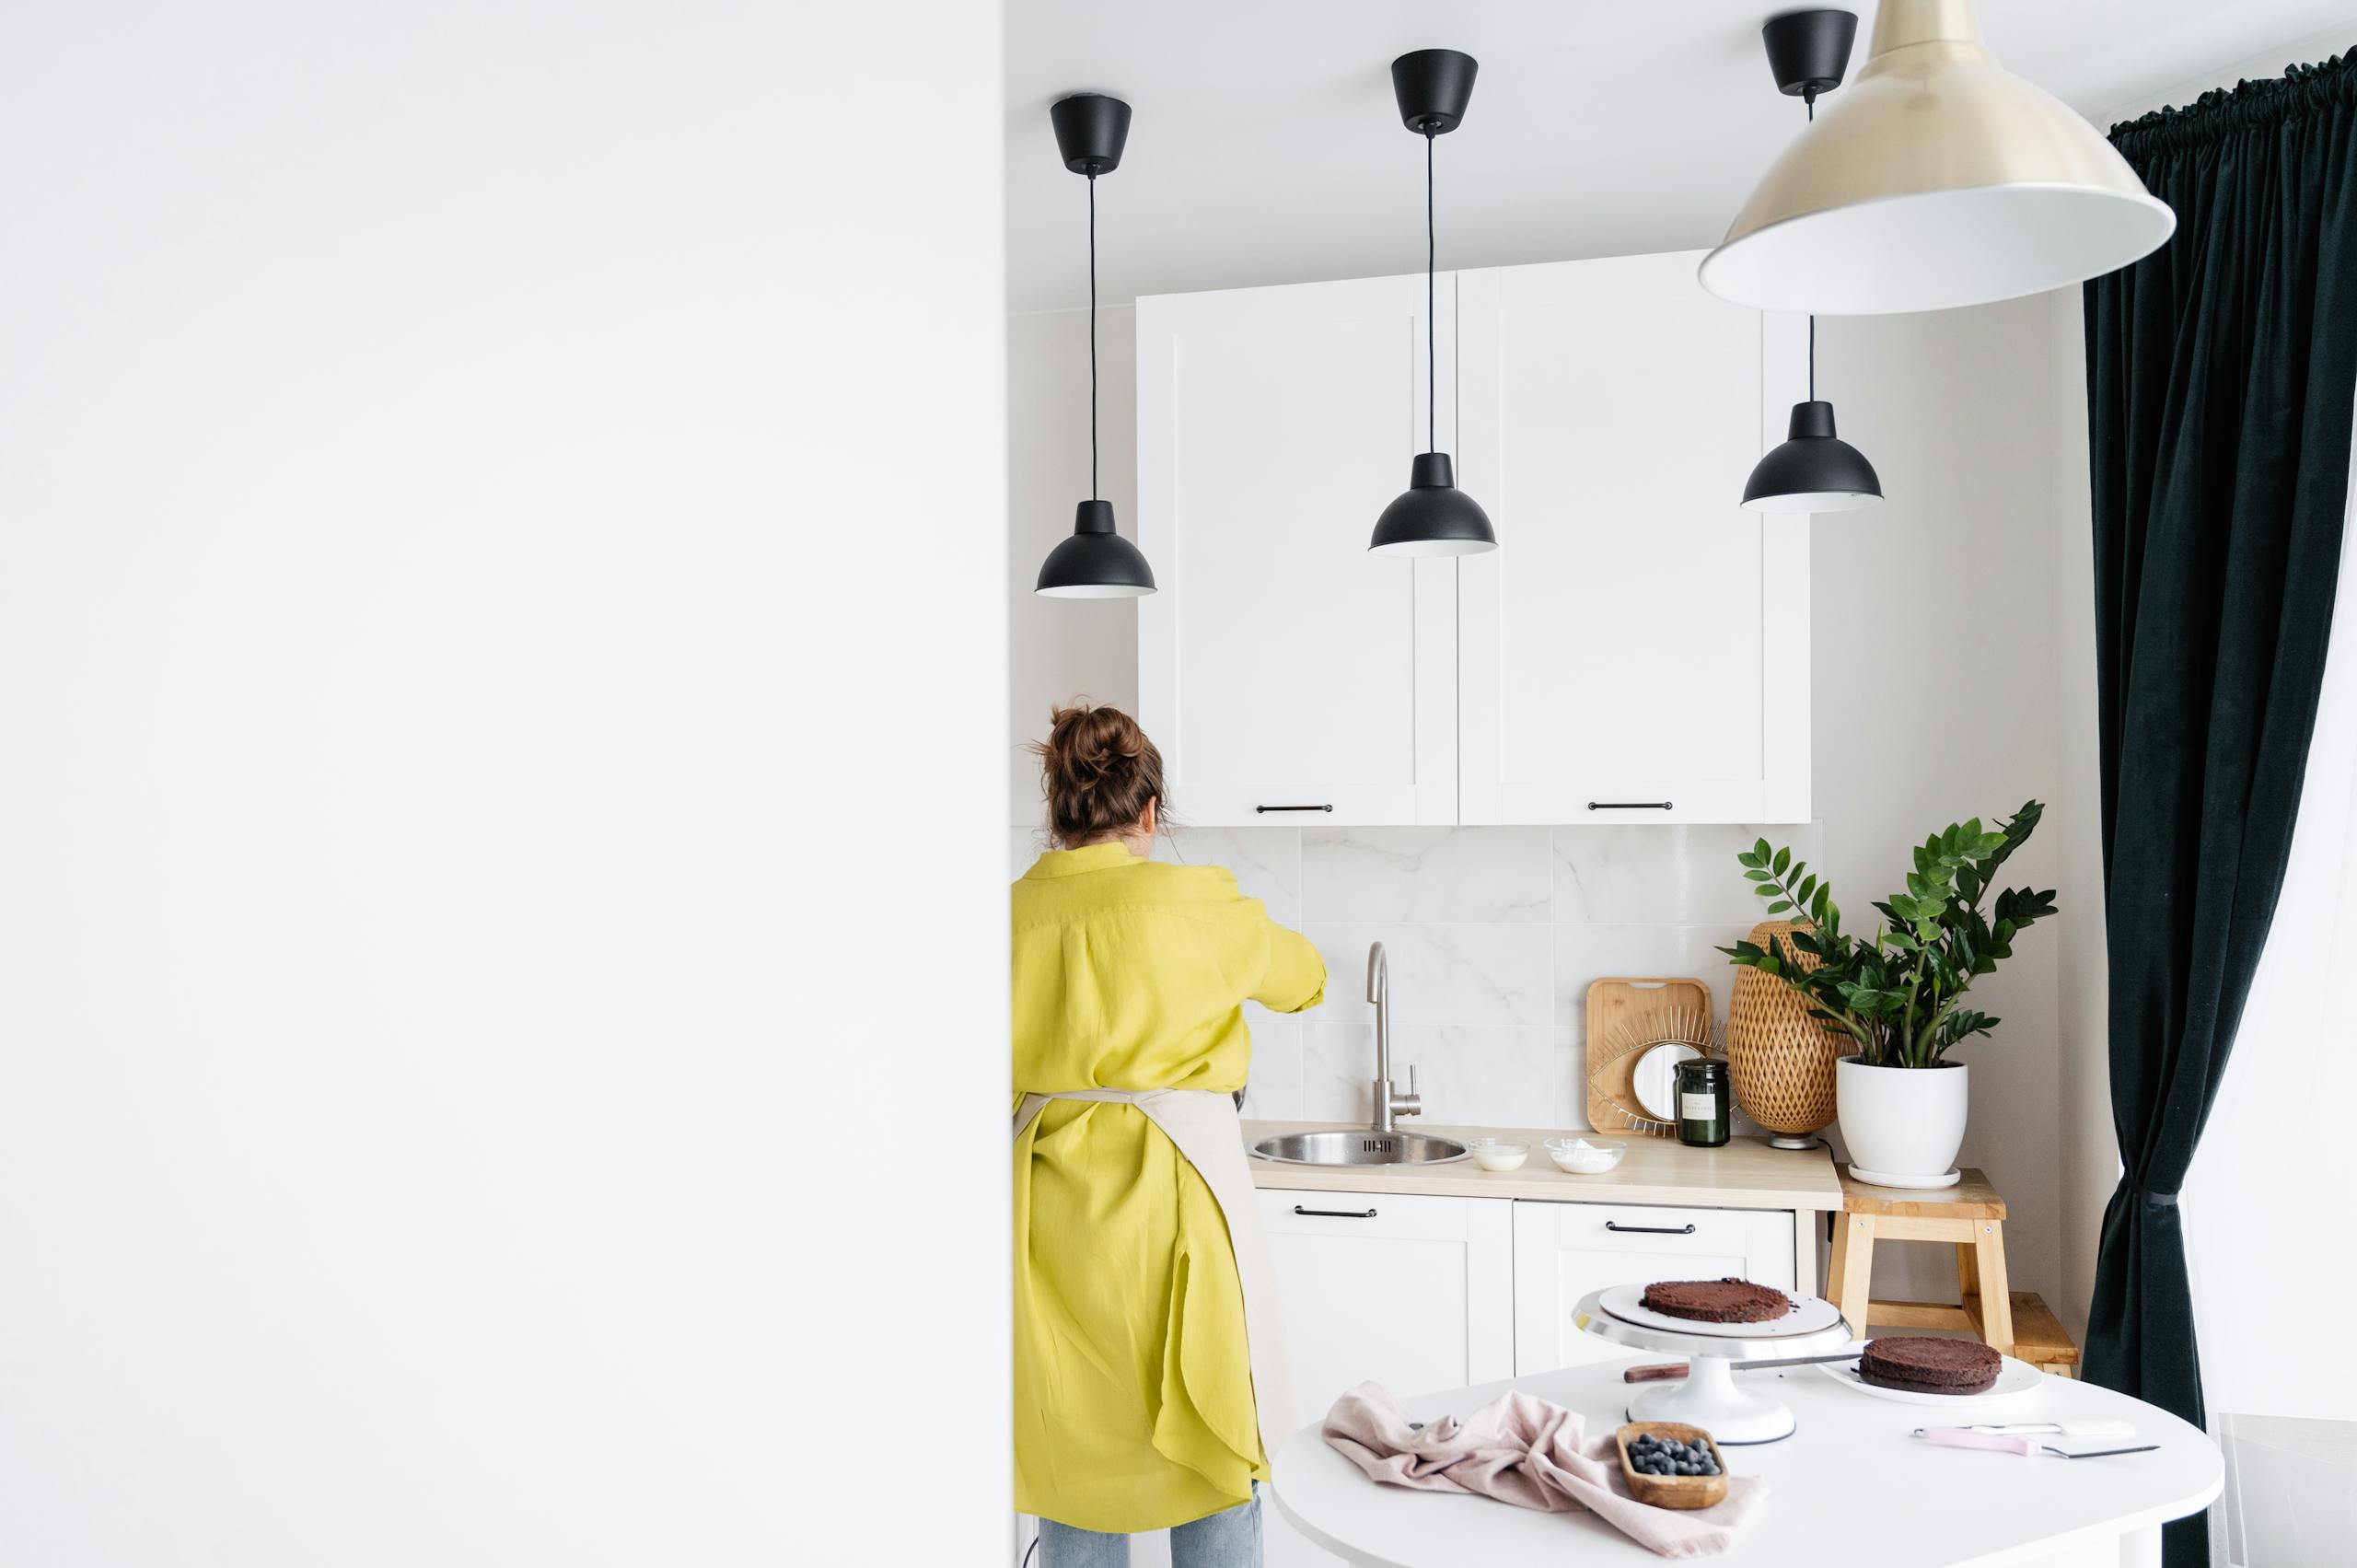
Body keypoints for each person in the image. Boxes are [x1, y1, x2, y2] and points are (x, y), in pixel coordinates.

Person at [1012, 703, 1326, 1567]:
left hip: (1051, 1219)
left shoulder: (1005, 917)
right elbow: (1305, 980)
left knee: (1073, 1448)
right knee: (1218, 1446)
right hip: (1183, 1200)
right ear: (1150, 811)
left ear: (1060, 810)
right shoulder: (1201, 902)